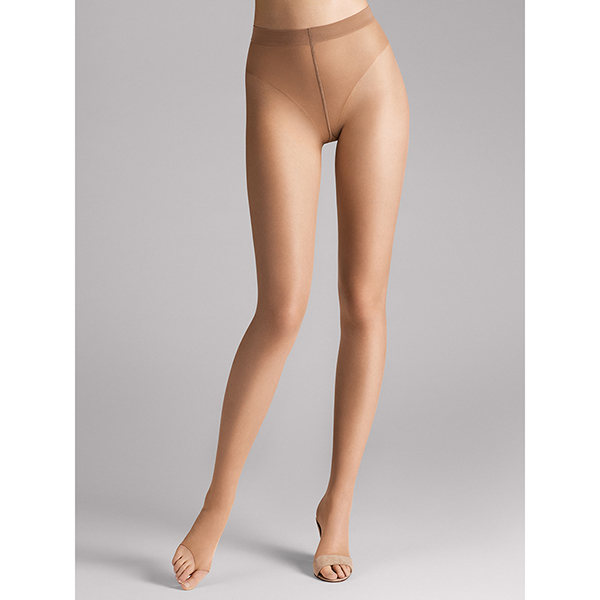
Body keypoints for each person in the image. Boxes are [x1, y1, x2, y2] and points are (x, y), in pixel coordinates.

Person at [171, 0, 409, 589]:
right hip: (278, 80)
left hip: (366, 71)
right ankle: (216, 505)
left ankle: (338, 506)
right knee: (280, 311)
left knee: (363, 303)